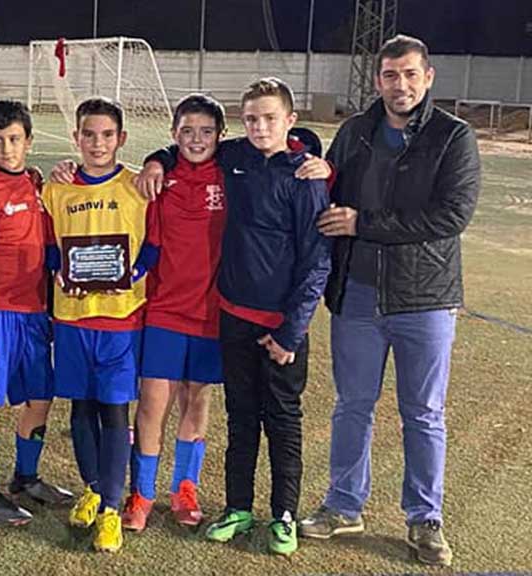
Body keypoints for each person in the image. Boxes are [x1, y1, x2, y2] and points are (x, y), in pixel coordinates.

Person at [299, 35, 480, 568]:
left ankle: (425, 518)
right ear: (377, 80)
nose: (400, 85)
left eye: (410, 74)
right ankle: (343, 505)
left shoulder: (453, 136)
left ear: (428, 77)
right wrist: (315, 170)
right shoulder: (355, 131)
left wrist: (365, 223)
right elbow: (329, 186)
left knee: (423, 413)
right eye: (390, 75)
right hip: (357, 294)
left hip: (424, 299)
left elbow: (451, 216)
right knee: (351, 406)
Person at [196, 78, 330, 558]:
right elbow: (189, 147)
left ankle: (284, 514)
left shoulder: (305, 177)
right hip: (234, 316)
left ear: (289, 121)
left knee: (283, 421)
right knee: (240, 417)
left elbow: (317, 261)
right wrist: (157, 161)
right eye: (251, 118)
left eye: (270, 118)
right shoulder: (234, 157)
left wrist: (290, 331)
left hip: (281, 327)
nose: (260, 126)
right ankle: (238, 507)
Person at [41, 97, 149, 553]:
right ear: (77, 138)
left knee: (114, 411)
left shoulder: (138, 186)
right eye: (89, 134)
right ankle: (93, 488)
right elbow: (50, 246)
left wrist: (129, 274)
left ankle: (111, 509)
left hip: (121, 317)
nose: (98, 143)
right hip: (71, 316)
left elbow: (153, 246)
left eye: (107, 135)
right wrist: (59, 270)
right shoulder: (58, 188)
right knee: (81, 407)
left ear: (121, 138)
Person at [119, 94, 227, 533]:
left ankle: (185, 488)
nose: (196, 139)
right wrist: (157, 161)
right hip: (163, 310)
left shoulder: (232, 175)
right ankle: (142, 493)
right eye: (187, 131)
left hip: (211, 312)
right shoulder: (160, 180)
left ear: (220, 135)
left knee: (196, 402)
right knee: (152, 405)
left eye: (206, 131)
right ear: (173, 134)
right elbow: (150, 243)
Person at [0, 100, 74, 526]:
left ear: (29, 141)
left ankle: (25, 477)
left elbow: (48, 247)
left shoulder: (35, 184)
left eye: (14, 139)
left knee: (41, 396)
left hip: (35, 313)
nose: (7, 148)